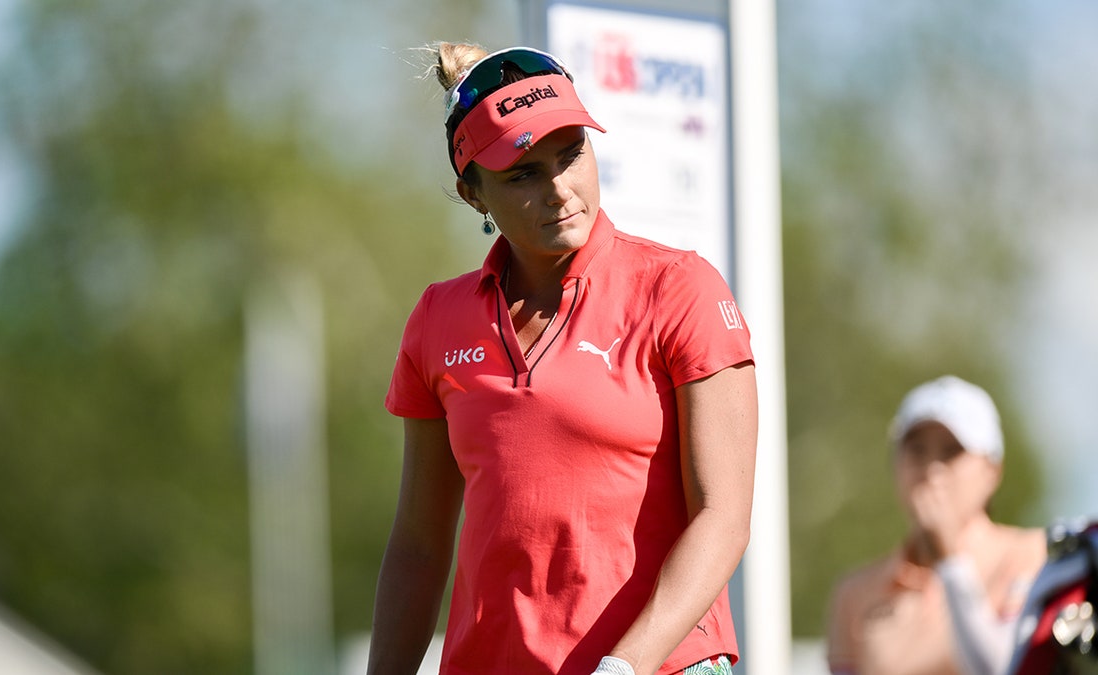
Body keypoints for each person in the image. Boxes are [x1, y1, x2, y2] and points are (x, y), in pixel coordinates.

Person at [366, 42, 758, 675]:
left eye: (572, 153)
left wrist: (624, 667)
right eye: (523, 174)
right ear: (474, 195)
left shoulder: (680, 288)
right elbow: (418, 545)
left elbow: (724, 519)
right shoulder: (438, 318)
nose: (560, 190)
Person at [826, 375, 1048, 675]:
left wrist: (951, 560)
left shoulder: (1032, 555)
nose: (932, 469)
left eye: (952, 451)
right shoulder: (853, 593)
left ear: (991, 472)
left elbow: (1003, 667)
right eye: (917, 450)